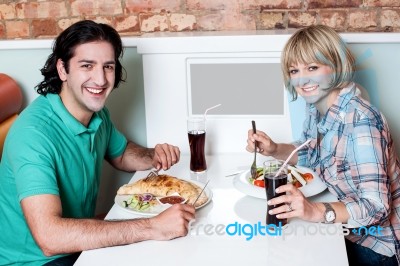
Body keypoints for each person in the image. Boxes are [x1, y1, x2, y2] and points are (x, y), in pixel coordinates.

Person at [0, 20, 195, 265]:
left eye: (108, 67)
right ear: (62, 70)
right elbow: (49, 238)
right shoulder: (33, 135)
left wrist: (153, 155)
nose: (101, 79)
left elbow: (121, 154)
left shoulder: (96, 113)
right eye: (87, 66)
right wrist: (153, 227)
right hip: (37, 260)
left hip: (78, 244)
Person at [247, 25, 400, 266]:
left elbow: (376, 207)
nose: (302, 79)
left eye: (312, 67)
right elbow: (310, 152)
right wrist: (275, 149)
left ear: (336, 65)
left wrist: (314, 211)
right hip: (341, 231)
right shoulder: (317, 106)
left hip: (374, 246)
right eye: (294, 70)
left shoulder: (362, 121)